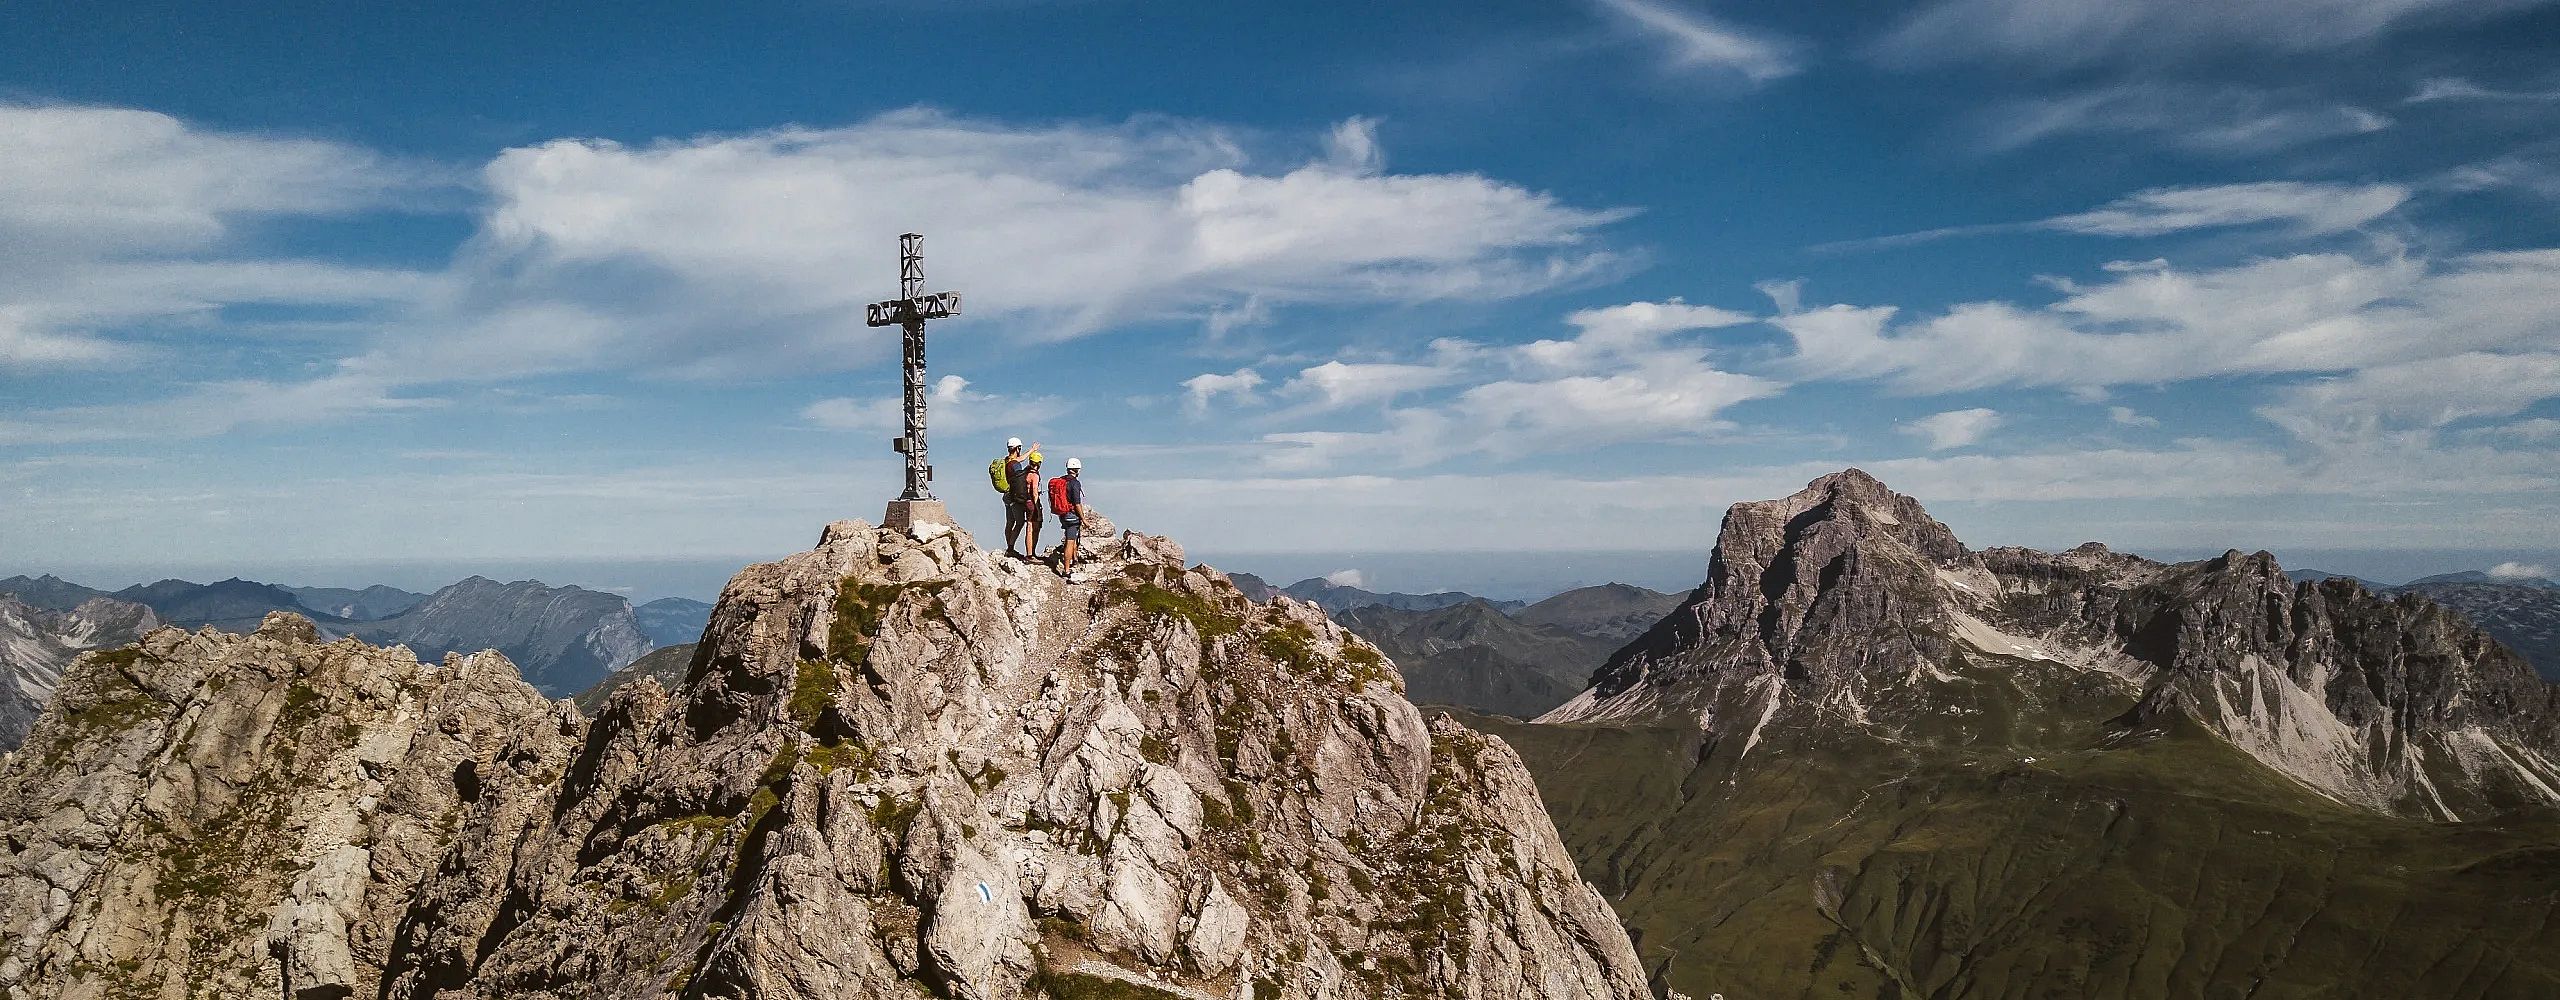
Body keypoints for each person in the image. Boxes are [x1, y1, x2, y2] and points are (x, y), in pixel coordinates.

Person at [999, 437, 1040, 559]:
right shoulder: (1015, 464)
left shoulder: (1007, 460)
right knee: (1020, 522)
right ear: (1017, 448)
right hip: (1014, 497)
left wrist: (1031, 451)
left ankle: (1010, 548)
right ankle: (1011, 549)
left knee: (1010, 522)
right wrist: (1032, 450)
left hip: (1006, 496)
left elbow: (1020, 459)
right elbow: (1019, 479)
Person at [1050, 458, 1086, 579]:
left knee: (1072, 537)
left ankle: (1075, 559)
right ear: (1077, 470)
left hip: (1062, 514)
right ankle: (1066, 569)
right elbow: (1077, 503)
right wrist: (1084, 519)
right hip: (1072, 515)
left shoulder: (1062, 480)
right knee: (1070, 541)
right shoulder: (1075, 483)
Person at [1012, 453, 1045, 558]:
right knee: (1032, 527)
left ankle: (1029, 553)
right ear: (1039, 463)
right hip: (1032, 502)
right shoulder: (1034, 475)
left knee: (1029, 526)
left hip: (1024, 501)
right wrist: (1036, 506)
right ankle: (1030, 554)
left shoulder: (1025, 472)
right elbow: (1034, 491)